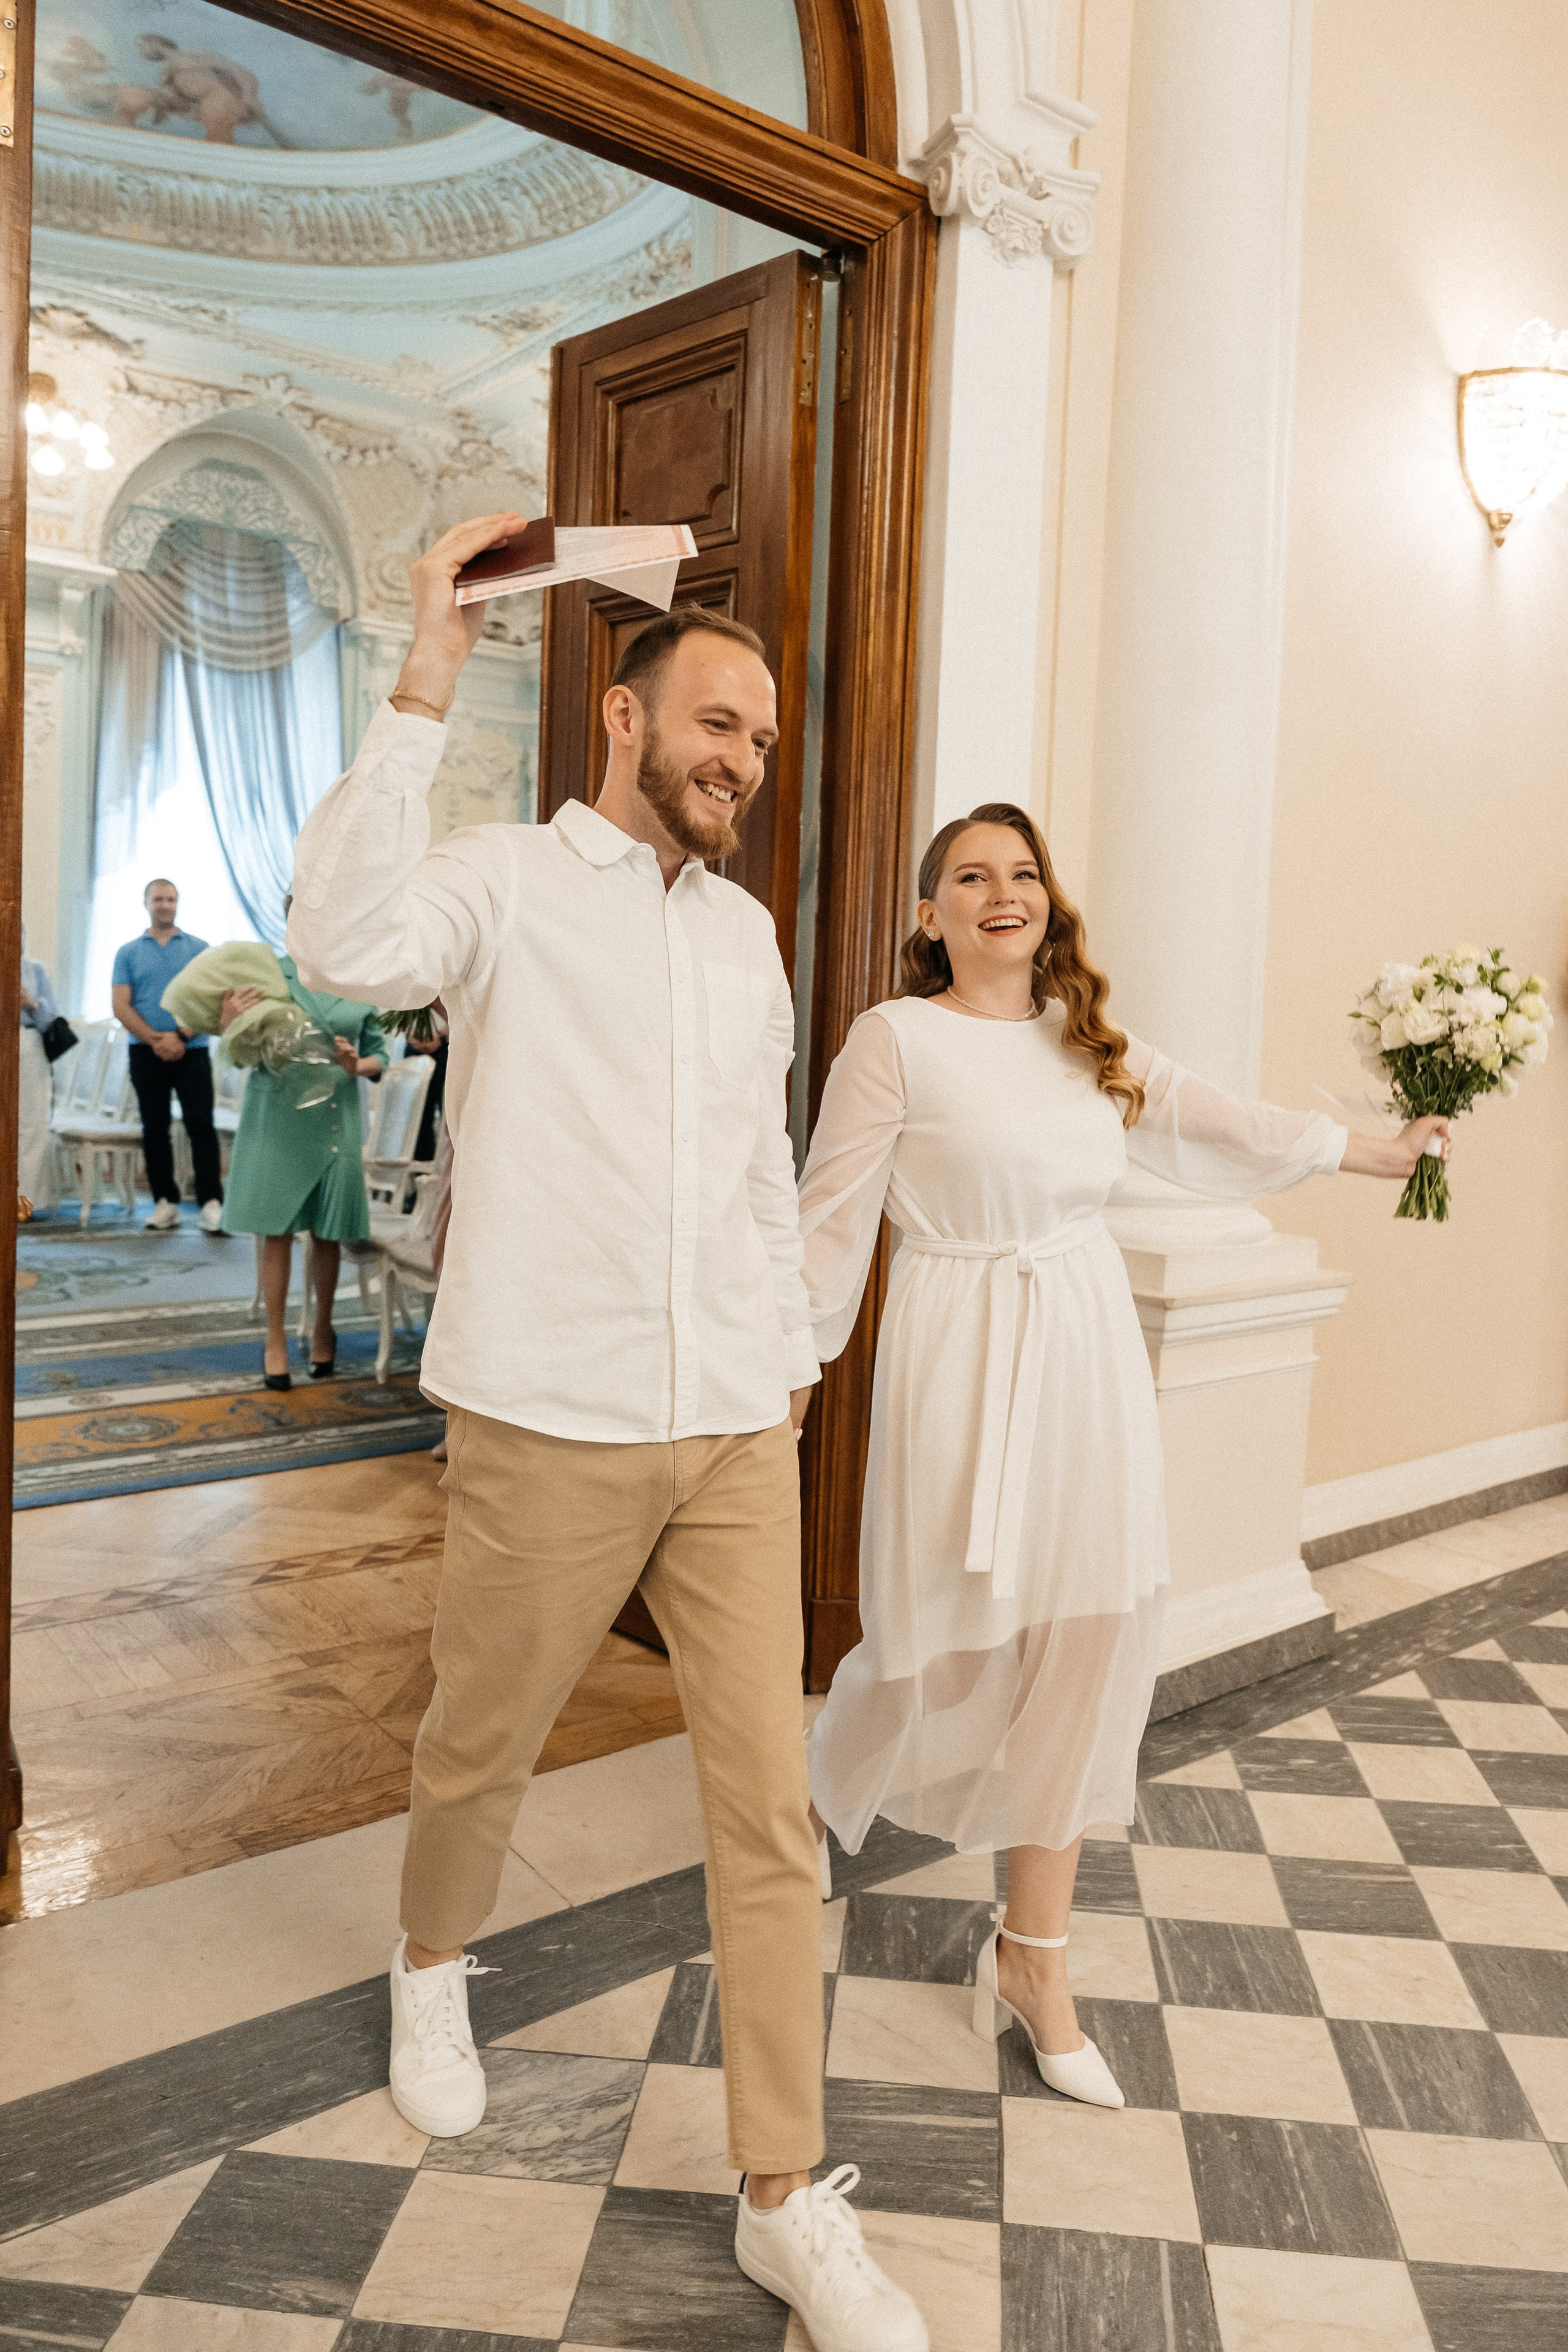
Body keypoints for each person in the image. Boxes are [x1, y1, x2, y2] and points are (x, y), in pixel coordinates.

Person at [287, 513, 929, 2352]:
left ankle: (785, 2192)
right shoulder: (496, 880)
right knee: (478, 1736)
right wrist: (428, 652)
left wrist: (787, 1352)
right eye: (715, 718)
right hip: (544, 1407)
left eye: (762, 737)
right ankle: (430, 1962)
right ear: (620, 726)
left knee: (768, 1806)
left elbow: (750, 1168)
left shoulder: (746, 937)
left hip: (732, 1420)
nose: (742, 754)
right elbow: (341, 938)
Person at [796, 804, 1449, 2108]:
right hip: (959, 1350)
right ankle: (811, 1798)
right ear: (927, 915)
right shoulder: (892, 1040)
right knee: (948, 1639)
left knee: (1088, 1641)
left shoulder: (1084, 1040)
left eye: (1022, 872)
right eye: (969, 876)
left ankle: (1032, 1956)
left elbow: (1220, 1121)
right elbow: (828, 1224)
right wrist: (785, 1384)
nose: (1001, 891)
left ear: (1047, 902)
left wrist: (1381, 1153)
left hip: (1082, 1345)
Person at [217, 922, 386, 1390]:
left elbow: (380, 1056)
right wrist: (228, 1021)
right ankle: (274, 1339)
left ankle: (322, 1328)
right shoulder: (268, 977)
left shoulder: (361, 979)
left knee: (327, 1233)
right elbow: (238, 1053)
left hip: (336, 1113)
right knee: (277, 1230)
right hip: (278, 1116)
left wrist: (358, 1066)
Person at [111, 880, 224, 1234]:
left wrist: (179, 1036)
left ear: (178, 903)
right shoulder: (128, 952)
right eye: (158, 899)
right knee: (155, 1128)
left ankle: (210, 1203)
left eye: (171, 899)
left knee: (201, 1126)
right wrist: (154, 1039)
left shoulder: (199, 949)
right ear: (146, 903)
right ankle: (165, 1202)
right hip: (145, 1052)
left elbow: (212, 1001)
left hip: (192, 1051)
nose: (164, 905)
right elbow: (120, 1005)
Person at [18, 927, 61, 1215]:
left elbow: (52, 1020)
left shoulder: (35, 971)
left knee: (32, 1124)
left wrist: (30, 1003)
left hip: (29, 1046)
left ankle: (25, 1201)